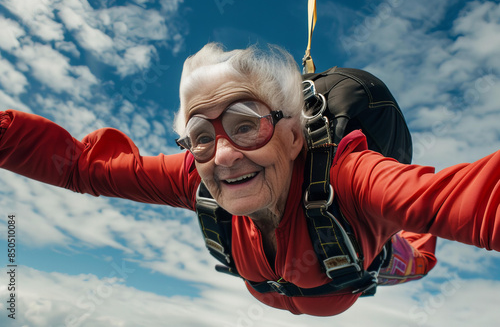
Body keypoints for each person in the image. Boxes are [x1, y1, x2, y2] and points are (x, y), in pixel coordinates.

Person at [1, 42, 499, 317]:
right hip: (290, 282)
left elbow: (474, 200)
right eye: (200, 134)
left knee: (419, 253)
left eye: (247, 124)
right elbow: (80, 167)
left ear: (293, 136)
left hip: (360, 261)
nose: (223, 154)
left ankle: (394, 238)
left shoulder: (353, 178)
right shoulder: (196, 174)